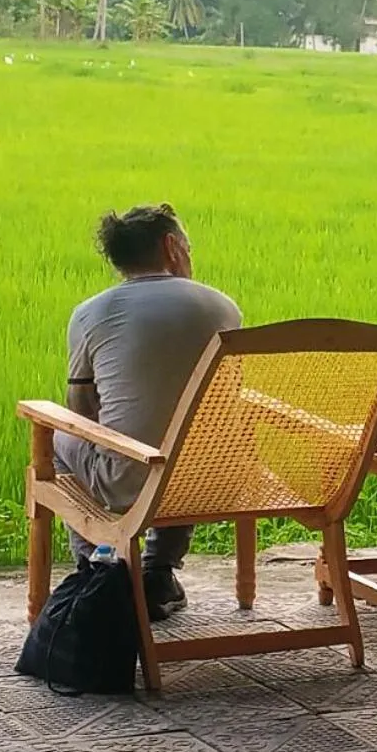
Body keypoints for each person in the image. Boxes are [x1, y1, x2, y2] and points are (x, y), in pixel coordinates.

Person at [58, 204, 241, 619]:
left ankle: (99, 569)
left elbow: (80, 409)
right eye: (188, 247)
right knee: (183, 438)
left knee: (55, 434)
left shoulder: (92, 313)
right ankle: (158, 573)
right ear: (171, 246)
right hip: (219, 479)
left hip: (130, 481)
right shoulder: (223, 307)